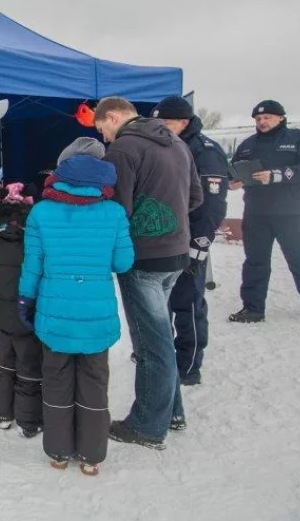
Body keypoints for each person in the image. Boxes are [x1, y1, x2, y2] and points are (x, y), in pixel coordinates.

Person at [18, 137, 134, 476]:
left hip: (54, 315)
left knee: (55, 378)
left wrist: (25, 299)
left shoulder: (41, 211)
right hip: (96, 316)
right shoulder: (114, 213)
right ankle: (91, 456)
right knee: (94, 380)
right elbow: (123, 262)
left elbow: (33, 264)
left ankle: (58, 452)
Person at [93, 96, 202, 450]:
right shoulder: (177, 144)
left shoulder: (124, 149)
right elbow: (195, 198)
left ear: (112, 117)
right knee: (159, 338)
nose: (105, 138)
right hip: (176, 253)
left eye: (101, 129)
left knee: (151, 344)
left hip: (144, 259)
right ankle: (171, 412)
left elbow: (115, 210)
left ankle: (147, 426)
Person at [151, 97, 230, 385]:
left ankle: (188, 365)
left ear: (184, 123)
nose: (161, 127)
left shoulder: (204, 150)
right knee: (161, 302)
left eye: (166, 123)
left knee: (188, 303)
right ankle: (163, 353)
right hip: (164, 240)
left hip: (189, 242)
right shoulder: (166, 145)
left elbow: (211, 205)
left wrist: (200, 243)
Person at [228, 100, 300, 322]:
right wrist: (234, 181)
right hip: (256, 213)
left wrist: (279, 174)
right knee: (255, 261)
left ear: (281, 118)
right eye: (258, 119)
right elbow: (234, 171)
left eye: (267, 117)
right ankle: (253, 308)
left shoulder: (299, 139)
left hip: (292, 214)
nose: (262, 122)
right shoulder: (247, 145)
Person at [0, 181, 43, 438]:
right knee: (28, 365)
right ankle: (29, 421)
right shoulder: (30, 245)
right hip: (24, 314)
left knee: (3, 360)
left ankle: (2, 413)